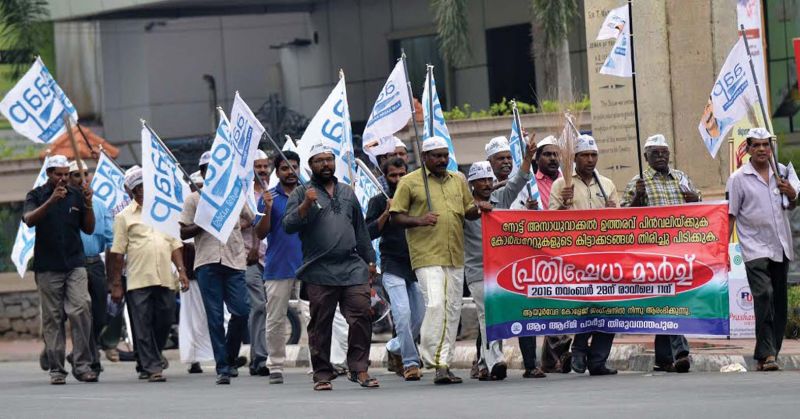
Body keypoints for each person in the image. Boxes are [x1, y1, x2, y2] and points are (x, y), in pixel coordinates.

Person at [390, 136, 492, 385]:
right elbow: (396, 216)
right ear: (424, 157)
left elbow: (467, 211)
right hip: (427, 253)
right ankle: (431, 355)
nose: (442, 160)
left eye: (445, 155)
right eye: (436, 155)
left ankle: (443, 364)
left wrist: (480, 208)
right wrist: (419, 220)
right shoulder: (409, 182)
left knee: (452, 310)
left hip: (455, 253)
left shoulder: (458, 179)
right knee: (435, 305)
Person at [283, 143, 379, 391]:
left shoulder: (347, 192)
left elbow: (360, 230)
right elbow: (288, 225)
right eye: (319, 161)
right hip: (319, 270)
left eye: (329, 160)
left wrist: (370, 261)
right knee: (321, 324)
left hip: (352, 267)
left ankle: (359, 369)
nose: (325, 164)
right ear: (310, 165)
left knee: (361, 316)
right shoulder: (301, 192)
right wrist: (305, 205)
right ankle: (322, 374)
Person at [621, 133, 701, 373]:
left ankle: (664, 357)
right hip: (653, 251)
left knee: (670, 298)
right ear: (646, 156)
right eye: (654, 153)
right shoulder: (638, 182)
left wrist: (694, 199)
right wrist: (637, 199)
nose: (660, 156)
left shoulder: (681, 178)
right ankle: (681, 352)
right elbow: (622, 218)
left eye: (664, 152)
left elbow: (700, 205)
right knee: (669, 298)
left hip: (680, 248)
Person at [107, 167, 189, 382]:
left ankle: (149, 358)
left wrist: (181, 271)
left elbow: (174, 243)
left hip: (164, 277)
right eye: (137, 188)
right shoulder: (124, 216)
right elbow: (117, 251)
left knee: (165, 318)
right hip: (138, 279)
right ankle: (153, 367)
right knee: (142, 324)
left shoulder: (164, 211)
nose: (142, 190)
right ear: (131, 191)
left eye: (145, 186)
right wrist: (116, 284)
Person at [727, 127, 797, 372]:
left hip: (781, 244)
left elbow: (792, 202)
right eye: (755, 145)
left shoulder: (785, 172)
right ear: (747, 149)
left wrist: (791, 192)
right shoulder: (738, 179)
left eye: (765, 145)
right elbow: (730, 216)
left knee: (779, 302)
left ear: (771, 148)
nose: (761, 149)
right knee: (764, 294)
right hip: (754, 247)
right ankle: (767, 353)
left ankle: (768, 353)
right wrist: (722, 251)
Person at [180, 152, 253, 385]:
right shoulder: (194, 199)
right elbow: (183, 232)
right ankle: (223, 367)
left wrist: (232, 226)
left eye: (216, 169)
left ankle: (230, 357)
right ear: (201, 173)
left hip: (234, 260)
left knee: (241, 311)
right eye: (207, 169)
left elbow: (249, 219)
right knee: (214, 316)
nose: (211, 173)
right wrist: (205, 221)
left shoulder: (233, 195)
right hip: (207, 262)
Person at [23, 155, 96, 384]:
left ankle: (82, 364)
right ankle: (56, 368)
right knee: (53, 318)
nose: (64, 178)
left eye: (66, 174)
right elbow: (29, 219)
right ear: (49, 174)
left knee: (81, 308)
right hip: (47, 267)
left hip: (75, 264)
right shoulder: (36, 195)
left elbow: (89, 228)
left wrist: (89, 204)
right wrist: (51, 201)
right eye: (59, 174)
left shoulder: (76, 194)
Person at [549, 134, 619, 376]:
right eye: (585, 156)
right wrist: (562, 206)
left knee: (610, 306)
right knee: (584, 304)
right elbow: (546, 224)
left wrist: (614, 213)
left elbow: (620, 224)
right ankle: (579, 348)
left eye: (593, 155)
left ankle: (598, 359)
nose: (590, 160)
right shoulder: (562, 185)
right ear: (575, 159)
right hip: (575, 256)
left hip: (604, 255)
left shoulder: (607, 184)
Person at [365, 157, 424, 381]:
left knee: (419, 317)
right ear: (385, 176)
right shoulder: (378, 200)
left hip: (418, 263)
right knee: (402, 314)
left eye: (402, 174)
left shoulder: (417, 197)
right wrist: (387, 213)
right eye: (393, 175)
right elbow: (369, 232)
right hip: (392, 264)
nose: (398, 180)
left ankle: (395, 345)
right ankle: (410, 362)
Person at [254, 150, 303, 385]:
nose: (291, 172)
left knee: (315, 316)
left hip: (310, 265)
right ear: (277, 172)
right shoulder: (268, 197)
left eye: (295, 167)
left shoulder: (310, 194)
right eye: (285, 168)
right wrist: (267, 209)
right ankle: (276, 365)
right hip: (278, 266)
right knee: (275, 319)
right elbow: (260, 233)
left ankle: (320, 363)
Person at [245, 150, 270, 377]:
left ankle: (262, 356)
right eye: (258, 166)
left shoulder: (274, 193)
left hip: (274, 260)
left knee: (271, 309)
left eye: (265, 166)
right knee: (259, 306)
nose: (262, 170)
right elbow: (248, 222)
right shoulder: (244, 194)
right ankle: (260, 359)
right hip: (249, 260)